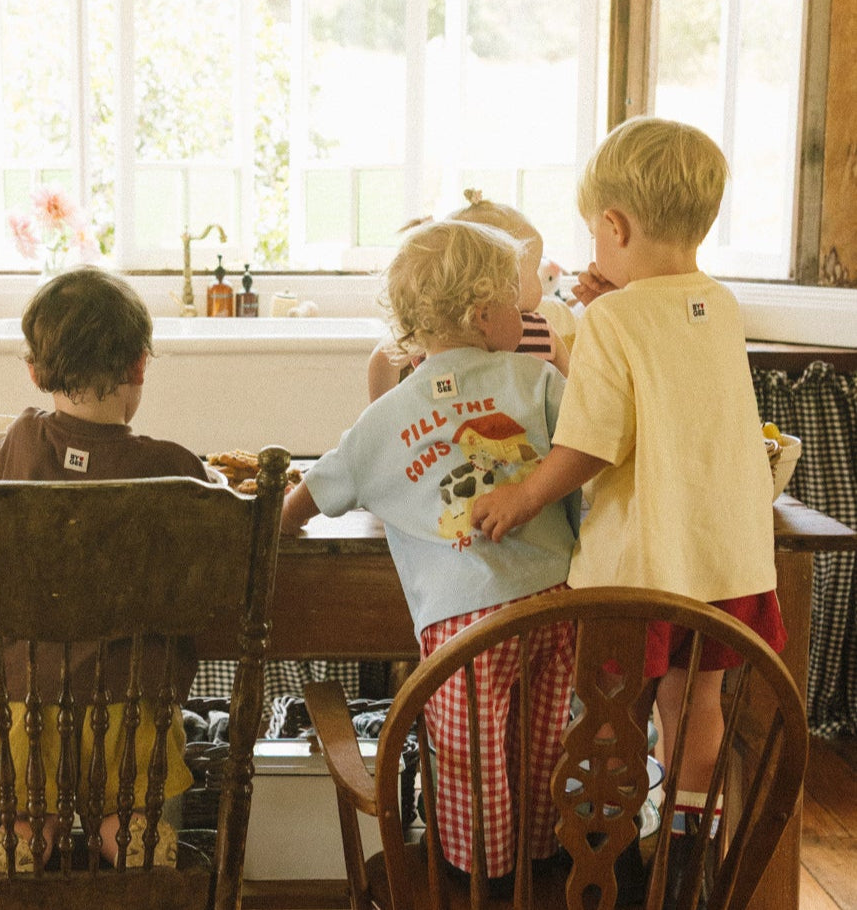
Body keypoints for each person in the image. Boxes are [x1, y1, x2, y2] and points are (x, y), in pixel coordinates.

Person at [471, 117, 785, 867]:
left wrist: (520, 497)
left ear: (613, 225)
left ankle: (597, 856)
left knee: (609, 720)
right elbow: (656, 391)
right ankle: (681, 859)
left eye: (591, 233)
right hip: (724, 557)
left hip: (640, 566)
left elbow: (591, 439)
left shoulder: (613, 316)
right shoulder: (720, 304)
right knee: (694, 706)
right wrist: (599, 307)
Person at [282, 219, 579, 894]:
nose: (526, 311)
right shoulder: (535, 381)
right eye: (515, 298)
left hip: (464, 624)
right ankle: (534, 874)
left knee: (471, 765)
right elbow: (586, 453)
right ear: (481, 314)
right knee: (540, 750)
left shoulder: (390, 413)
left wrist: (270, 523)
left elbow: (311, 495)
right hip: (560, 603)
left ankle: (481, 885)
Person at [0, 266, 207, 872]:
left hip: (26, 705)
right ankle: (127, 836)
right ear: (139, 366)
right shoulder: (175, 469)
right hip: (133, 702)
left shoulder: (19, 442)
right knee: (132, 808)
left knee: (32, 804)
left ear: (34, 371)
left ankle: (30, 835)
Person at [366, 194, 571, 404]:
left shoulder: (541, 332)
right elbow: (384, 358)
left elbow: (572, 395)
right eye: (533, 270)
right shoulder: (440, 333)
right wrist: (384, 413)